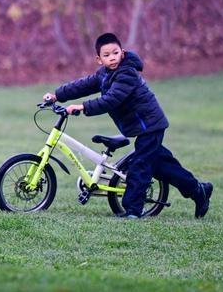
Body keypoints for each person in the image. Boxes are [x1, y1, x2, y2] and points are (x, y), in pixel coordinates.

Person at [43, 32, 212, 219]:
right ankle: (199, 190)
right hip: (142, 127)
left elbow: (111, 100)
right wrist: (57, 95)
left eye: (115, 53)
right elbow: (83, 85)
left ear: (122, 53)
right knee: (162, 165)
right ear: (99, 60)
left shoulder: (127, 73)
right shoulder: (104, 74)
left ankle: (133, 210)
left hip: (150, 125)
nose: (112, 58)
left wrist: (82, 107)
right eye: (106, 55)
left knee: (140, 166)